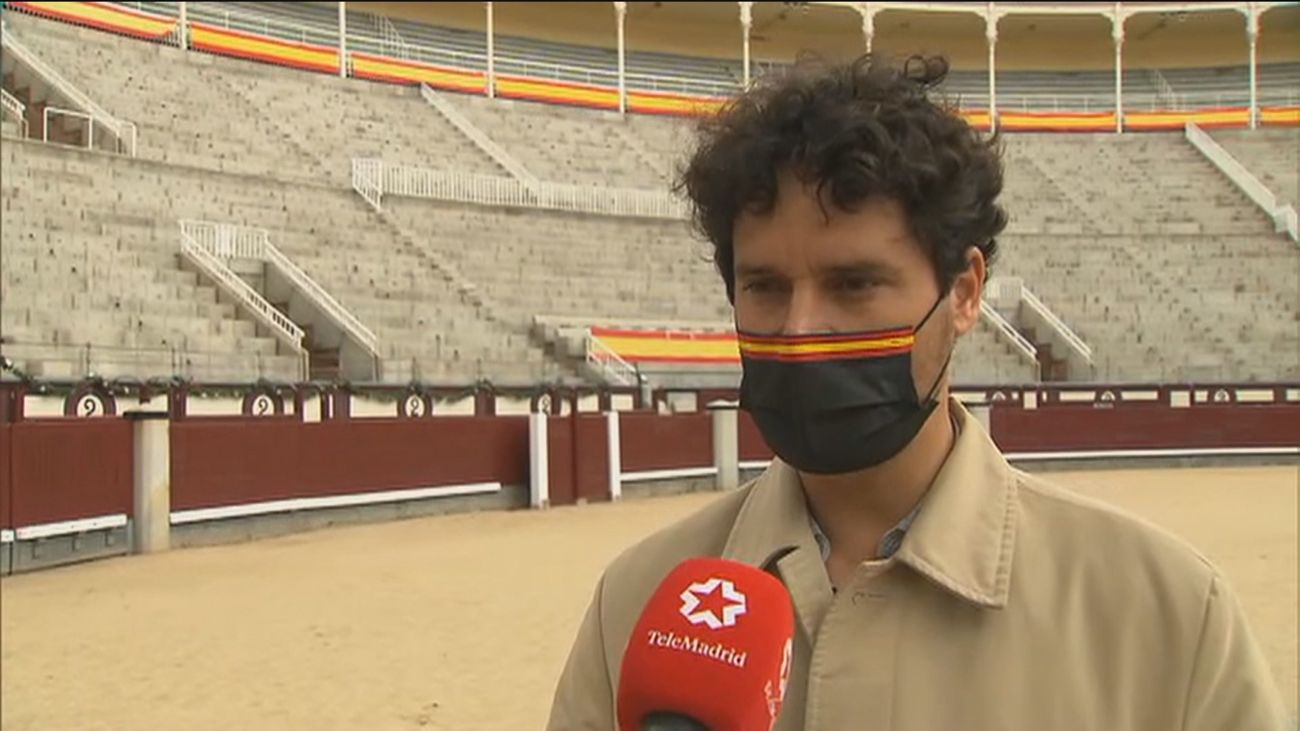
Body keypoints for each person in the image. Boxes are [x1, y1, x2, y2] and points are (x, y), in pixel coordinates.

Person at [547, 54, 1288, 730]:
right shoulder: (635, 602)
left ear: (964, 293)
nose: (800, 331)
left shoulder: (1168, 616)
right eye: (765, 287)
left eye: (854, 284)